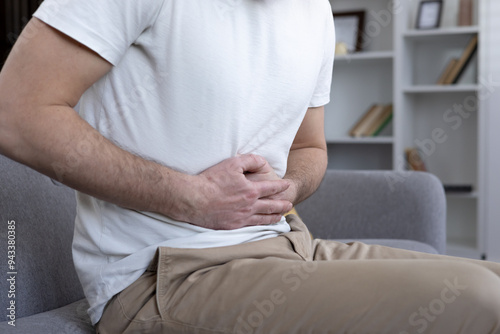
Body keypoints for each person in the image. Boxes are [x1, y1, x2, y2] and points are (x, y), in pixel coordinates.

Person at [0, 1, 499, 333]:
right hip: (161, 277)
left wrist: (287, 188)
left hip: (289, 246)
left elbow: (310, 149)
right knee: (481, 300)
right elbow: (15, 115)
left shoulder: (314, 12)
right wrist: (190, 198)